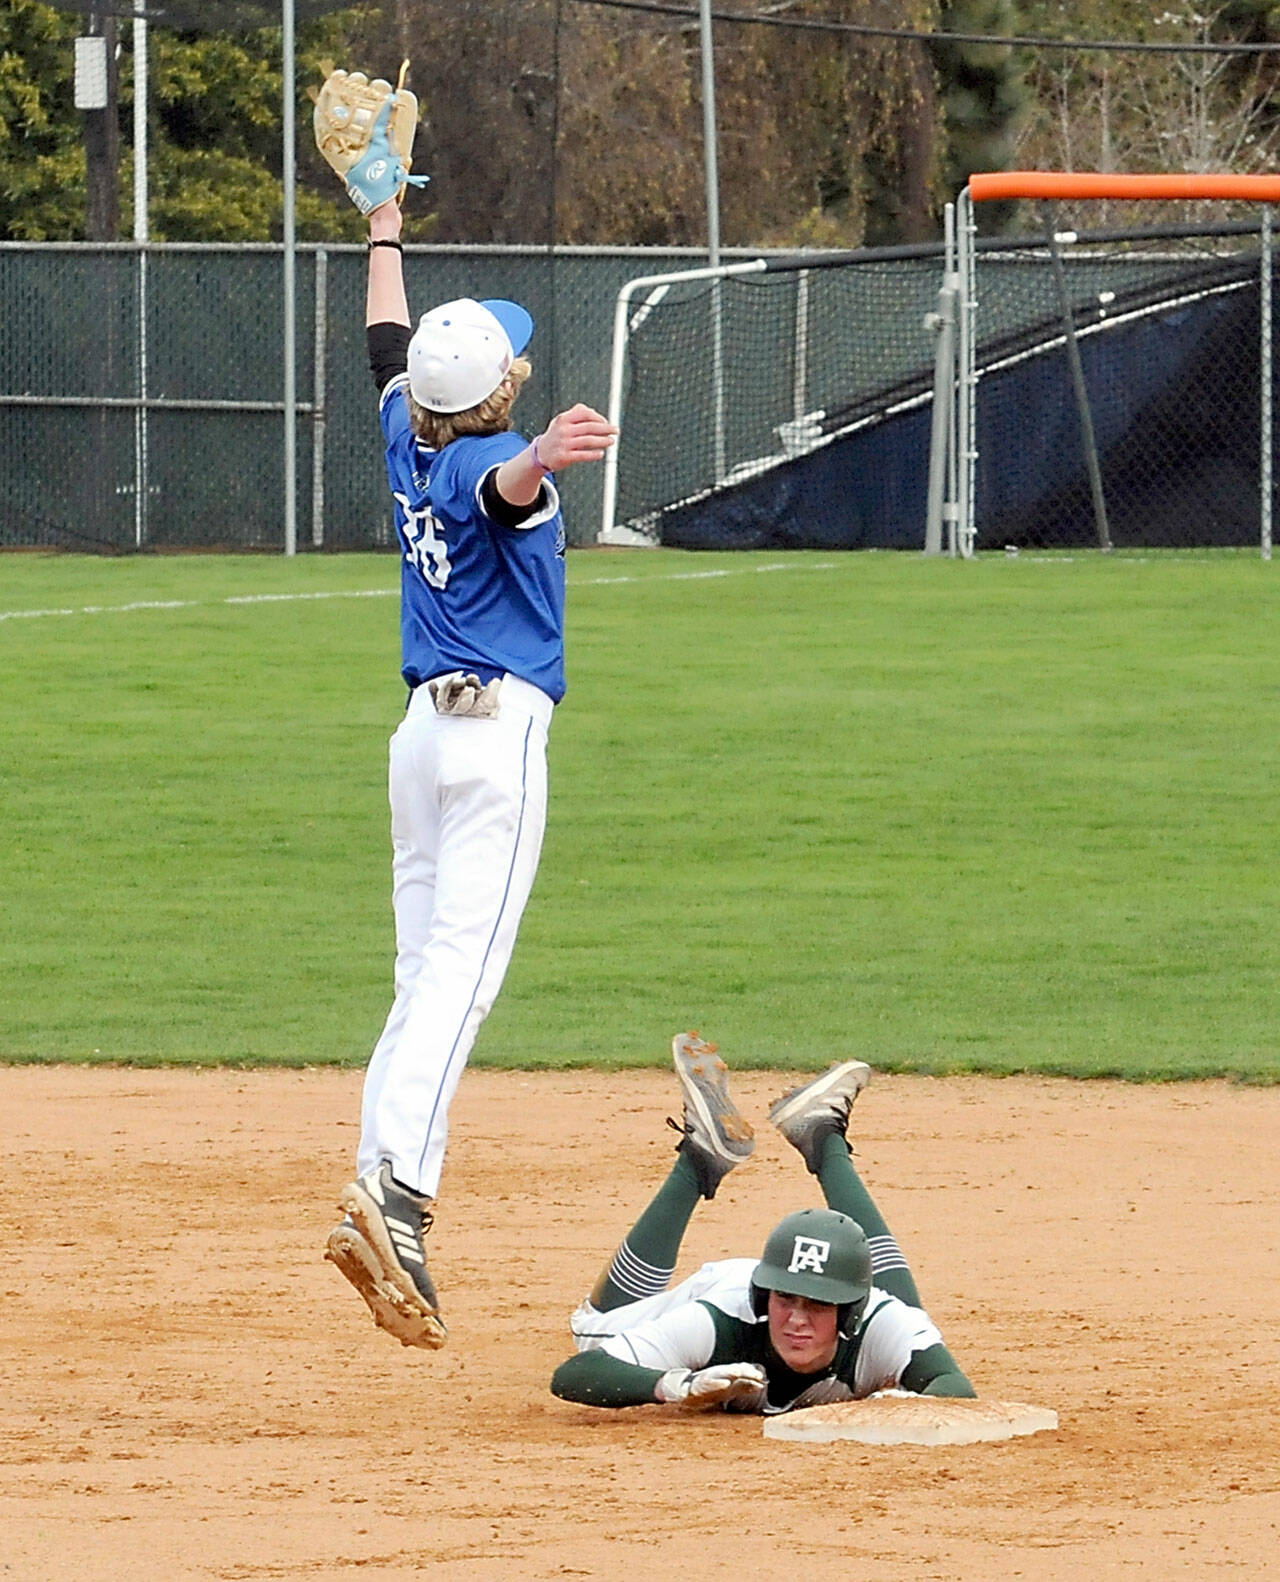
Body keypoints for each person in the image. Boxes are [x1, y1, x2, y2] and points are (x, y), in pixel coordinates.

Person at [325, 196, 617, 1350]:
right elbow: (500, 491)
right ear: (501, 396)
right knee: (459, 973)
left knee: (418, 973)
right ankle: (397, 1196)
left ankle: (373, 1182)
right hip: (494, 740)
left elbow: (387, 351)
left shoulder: (408, 429)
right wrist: (538, 454)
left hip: (418, 742)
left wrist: (382, 224)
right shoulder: (493, 461)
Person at [551, 1033, 974, 1412]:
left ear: (850, 1315)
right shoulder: (719, 1319)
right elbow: (577, 1374)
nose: (795, 1319)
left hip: (852, 1299)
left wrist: (908, 1405)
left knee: (910, 1321)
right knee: (591, 1332)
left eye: (818, 1304)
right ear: (761, 1296)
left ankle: (822, 1132)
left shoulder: (881, 1322)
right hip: (715, 1289)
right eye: (785, 1299)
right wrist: (677, 1384)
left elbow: (952, 1385)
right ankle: (696, 1163)